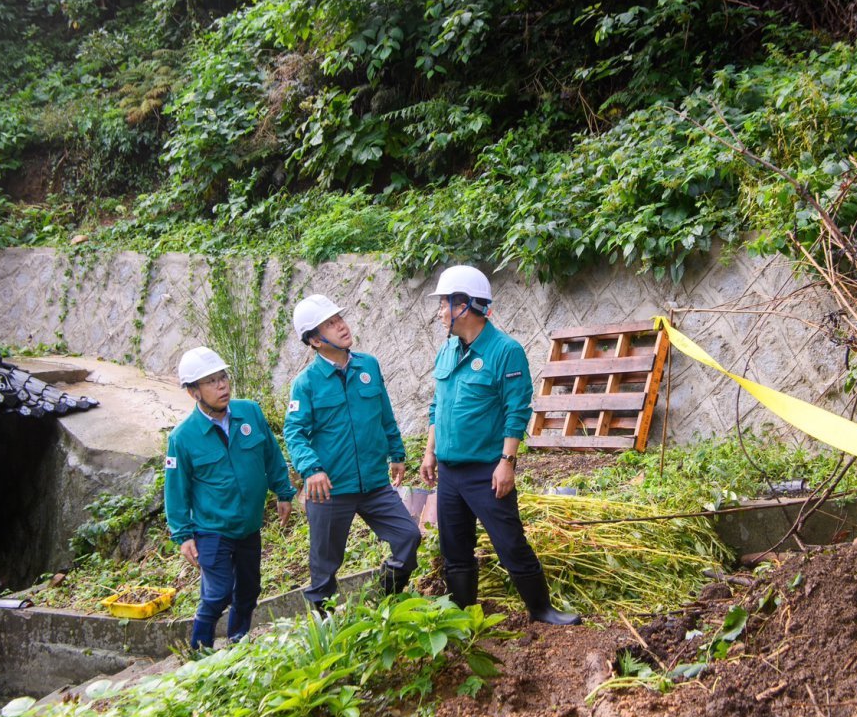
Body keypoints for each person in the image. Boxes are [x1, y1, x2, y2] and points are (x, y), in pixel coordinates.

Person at [419, 265, 580, 625]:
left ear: (465, 306)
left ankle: (542, 610)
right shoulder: (446, 350)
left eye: (445, 303)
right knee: (455, 550)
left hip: (485, 471)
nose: (440, 310)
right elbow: (437, 406)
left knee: (510, 544)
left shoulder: (505, 351)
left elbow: (516, 409)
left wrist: (507, 461)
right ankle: (463, 617)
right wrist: (429, 452)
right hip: (449, 471)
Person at [284, 294, 421, 611]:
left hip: (374, 484)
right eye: (330, 324)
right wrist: (311, 469)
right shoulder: (306, 383)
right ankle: (327, 630)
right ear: (316, 340)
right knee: (324, 570)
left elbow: (384, 413)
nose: (341, 326)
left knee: (408, 537)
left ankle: (384, 601)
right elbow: (294, 431)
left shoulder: (368, 366)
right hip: (330, 489)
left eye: (339, 319)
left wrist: (397, 453)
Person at [164, 346, 295, 650]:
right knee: (219, 591)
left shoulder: (249, 412)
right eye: (211, 382)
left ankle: (238, 641)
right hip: (212, 529)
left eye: (223, 377)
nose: (222, 385)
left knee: (249, 590)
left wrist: (283, 491)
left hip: (248, 525)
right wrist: (183, 535)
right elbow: (176, 489)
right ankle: (200, 650)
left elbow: (270, 454)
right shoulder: (183, 437)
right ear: (193, 392)